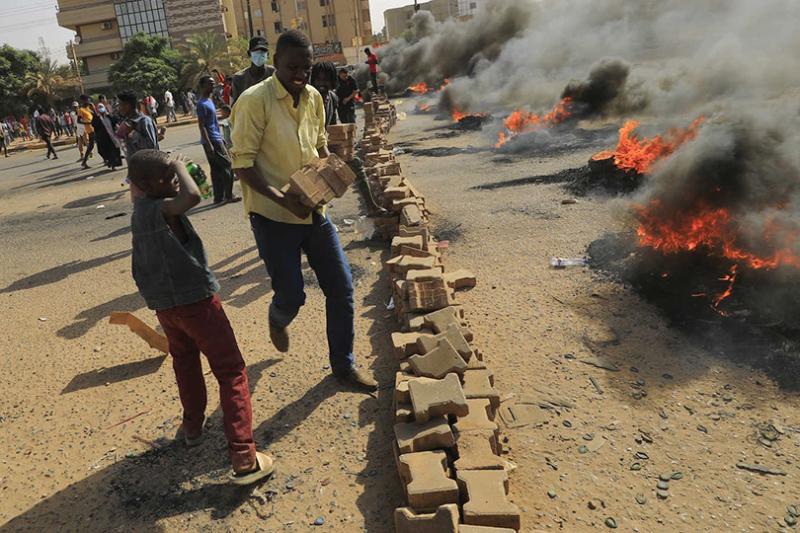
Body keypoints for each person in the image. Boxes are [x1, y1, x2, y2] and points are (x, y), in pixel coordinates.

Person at [231, 30, 377, 391]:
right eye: (292, 66)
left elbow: (320, 146)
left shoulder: (314, 97)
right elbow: (243, 166)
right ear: (276, 64)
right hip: (272, 215)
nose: (300, 74)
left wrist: (334, 174)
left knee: (341, 288)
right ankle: (278, 316)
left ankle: (343, 367)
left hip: (315, 212)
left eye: (306, 67)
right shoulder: (254, 101)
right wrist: (285, 200)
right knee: (293, 295)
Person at [127, 149, 275, 485]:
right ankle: (244, 456)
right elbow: (193, 195)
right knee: (231, 370)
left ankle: (192, 427)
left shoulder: (139, 210)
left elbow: (140, 182)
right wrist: (177, 162)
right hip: (197, 302)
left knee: (185, 361)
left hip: (166, 307)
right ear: (148, 185)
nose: (175, 179)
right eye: (167, 177)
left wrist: (163, 173)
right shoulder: (164, 209)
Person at [197, 76, 239, 205]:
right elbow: (202, 125)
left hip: (216, 138)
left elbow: (213, 123)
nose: (213, 85)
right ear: (203, 86)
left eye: (213, 83)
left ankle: (218, 197)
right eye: (210, 83)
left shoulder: (209, 101)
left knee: (216, 170)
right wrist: (209, 143)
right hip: (212, 140)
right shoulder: (202, 104)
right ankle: (228, 195)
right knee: (228, 166)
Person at [231, 36, 275, 105]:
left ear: (268, 54)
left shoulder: (274, 74)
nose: (259, 55)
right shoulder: (239, 79)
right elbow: (236, 106)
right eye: (256, 52)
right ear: (249, 54)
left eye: (263, 52)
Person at [310, 61, 339, 127]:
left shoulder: (333, 98)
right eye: (318, 79)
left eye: (326, 80)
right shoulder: (307, 99)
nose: (322, 83)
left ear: (332, 80)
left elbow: (333, 126)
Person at [94, 103, 123, 170]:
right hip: (104, 138)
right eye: (99, 107)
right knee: (108, 151)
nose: (101, 109)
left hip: (112, 136)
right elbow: (94, 125)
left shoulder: (109, 116)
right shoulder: (97, 118)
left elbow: (115, 120)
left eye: (102, 107)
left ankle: (114, 164)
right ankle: (111, 164)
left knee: (115, 150)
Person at [78, 95, 96, 169]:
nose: (88, 101)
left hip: (95, 128)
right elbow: (78, 121)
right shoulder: (81, 110)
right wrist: (87, 123)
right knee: (91, 145)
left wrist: (93, 109)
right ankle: (84, 162)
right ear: (83, 101)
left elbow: (95, 116)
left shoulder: (89, 108)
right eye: (86, 100)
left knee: (92, 145)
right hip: (90, 129)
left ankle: (84, 162)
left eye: (88, 100)